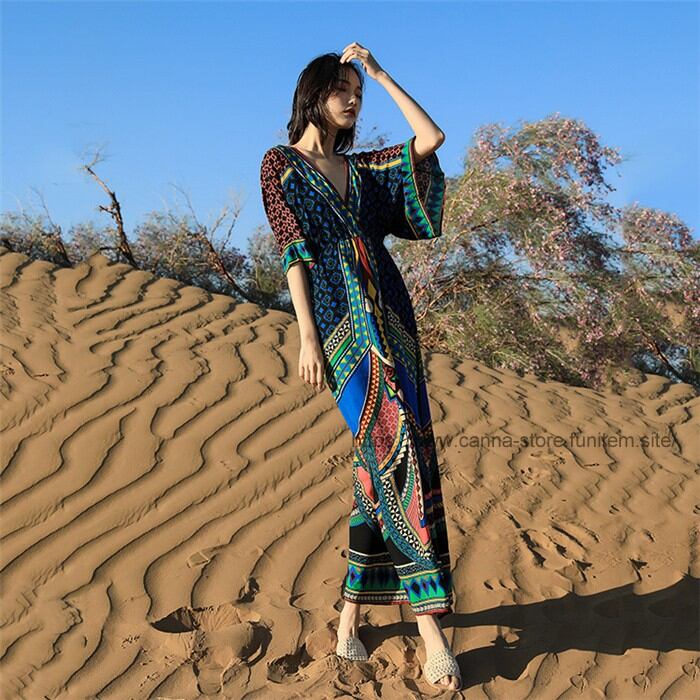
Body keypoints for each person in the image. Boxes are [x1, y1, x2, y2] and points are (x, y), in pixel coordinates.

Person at [259, 43, 460, 691]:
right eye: (342, 89)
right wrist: (307, 338)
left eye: (357, 91)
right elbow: (292, 251)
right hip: (339, 328)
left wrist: (381, 72)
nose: (352, 100)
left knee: (387, 461)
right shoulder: (280, 165)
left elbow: (431, 138)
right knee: (391, 452)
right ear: (313, 95)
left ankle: (349, 615)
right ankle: (430, 630)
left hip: (392, 319)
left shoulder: (365, 170)